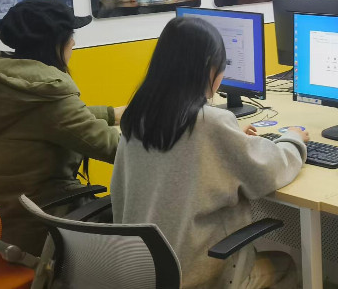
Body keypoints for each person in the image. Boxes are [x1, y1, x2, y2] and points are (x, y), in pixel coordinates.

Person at [113, 16, 307, 289]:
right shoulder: (209, 123)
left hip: (139, 273)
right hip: (197, 274)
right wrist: (293, 139)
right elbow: (269, 170)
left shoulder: (137, 117)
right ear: (208, 68)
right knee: (285, 265)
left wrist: (231, 136)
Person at [0, 0, 124, 255]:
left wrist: (111, 114)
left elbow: (46, 121)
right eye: (70, 35)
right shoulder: (48, 94)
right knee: (143, 221)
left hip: (3, 215)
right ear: (54, 43)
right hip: (41, 226)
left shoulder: (3, 84)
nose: (74, 43)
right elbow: (115, 149)